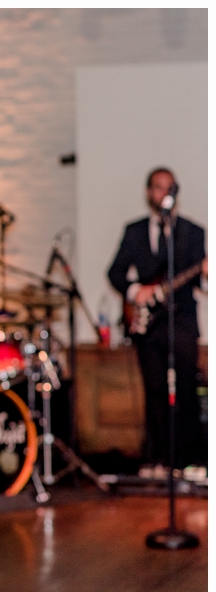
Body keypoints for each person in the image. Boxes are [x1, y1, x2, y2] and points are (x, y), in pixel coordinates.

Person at [107, 167, 207, 479]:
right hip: (150, 325)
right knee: (154, 390)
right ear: (149, 192)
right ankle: (157, 459)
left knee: (187, 389)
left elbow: (202, 285)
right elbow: (116, 272)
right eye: (157, 187)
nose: (163, 192)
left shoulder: (193, 232)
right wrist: (138, 292)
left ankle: (189, 460)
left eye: (168, 187)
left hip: (183, 320)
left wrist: (204, 274)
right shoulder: (134, 230)